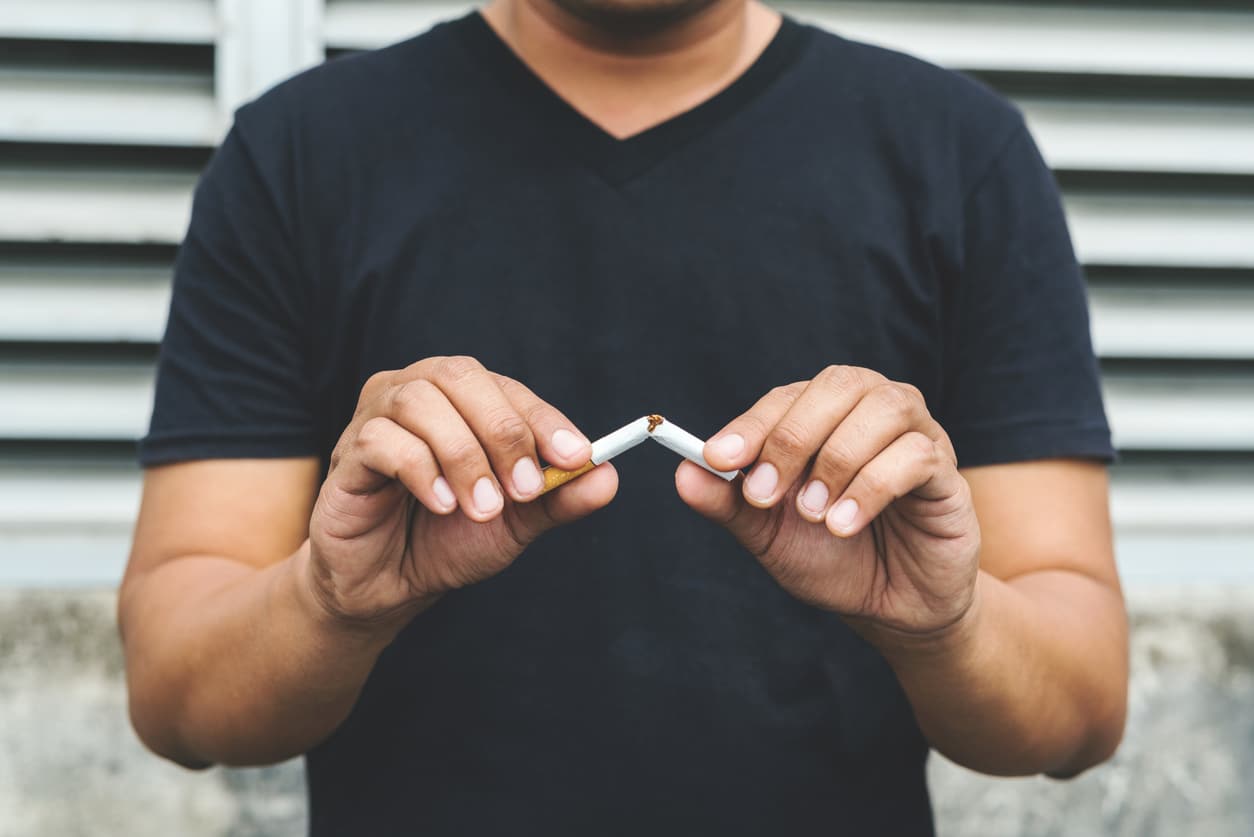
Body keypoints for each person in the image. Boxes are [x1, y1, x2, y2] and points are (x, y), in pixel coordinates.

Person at [119, 0, 1129, 832]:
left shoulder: (958, 153)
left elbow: (1080, 711)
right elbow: (176, 698)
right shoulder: (300, 151)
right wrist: (330, 603)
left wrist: (947, 627)